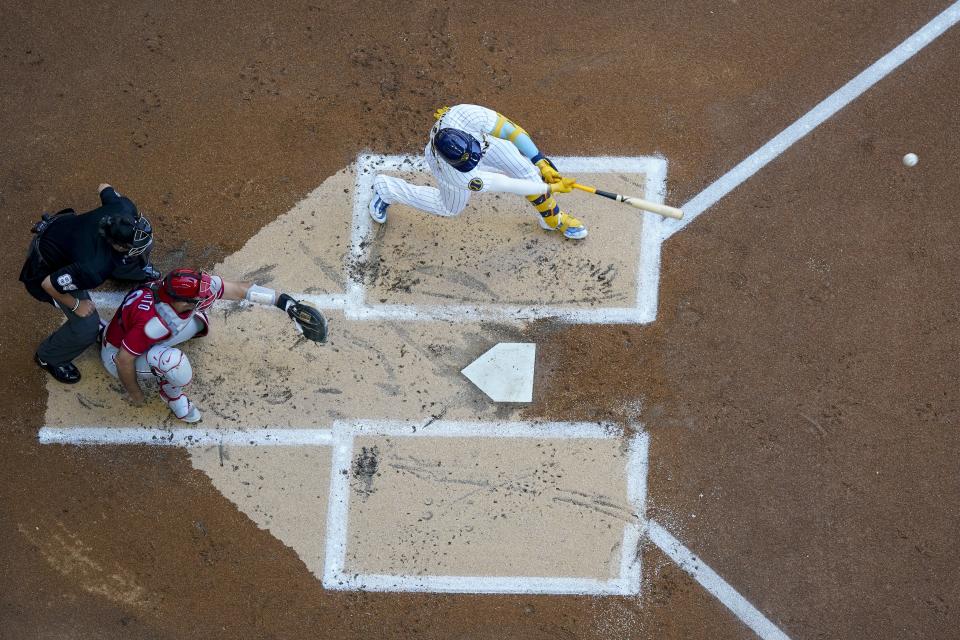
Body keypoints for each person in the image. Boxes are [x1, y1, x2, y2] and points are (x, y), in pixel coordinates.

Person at [100, 268, 327, 423]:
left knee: (200, 322)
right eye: (197, 299)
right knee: (173, 362)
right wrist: (135, 393)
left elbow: (239, 289)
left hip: (142, 335)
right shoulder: (152, 323)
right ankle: (170, 391)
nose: (206, 297)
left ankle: (161, 363)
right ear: (180, 301)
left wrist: (285, 303)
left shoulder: (173, 292)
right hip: (117, 356)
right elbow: (123, 360)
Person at [368, 104, 586, 239]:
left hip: (485, 142)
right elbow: (508, 185)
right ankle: (386, 188)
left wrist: (541, 162)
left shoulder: (464, 114)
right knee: (449, 208)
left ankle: (552, 219)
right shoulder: (460, 174)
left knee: (525, 169)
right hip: (447, 167)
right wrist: (550, 186)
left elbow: (511, 131)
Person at [19, 183, 158, 384]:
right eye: (133, 245)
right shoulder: (93, 268)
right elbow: (49, 284)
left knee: (129, 261)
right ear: (117, 245)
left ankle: (126, 267)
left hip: (67, 231)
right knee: (87, 326)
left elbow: (104, 187)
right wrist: (77, 305)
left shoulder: (124, 208)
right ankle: (49, 357)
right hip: (48, 265)